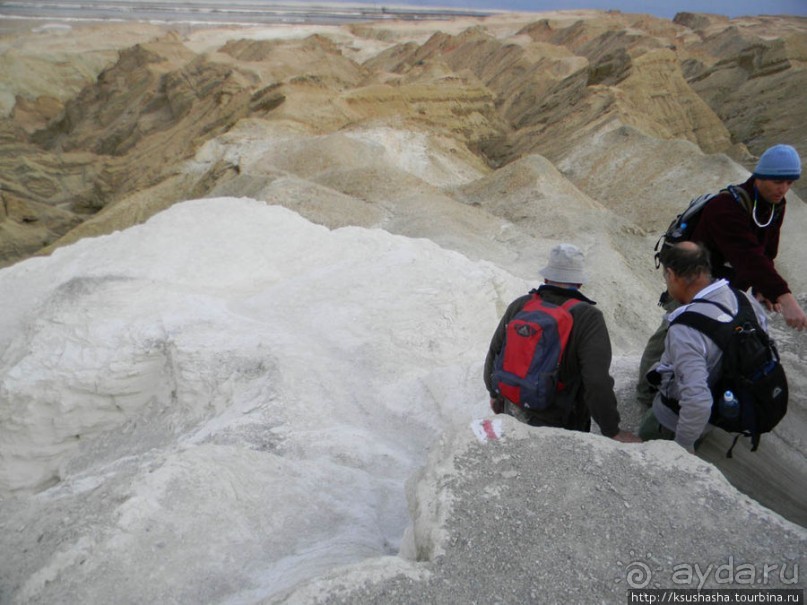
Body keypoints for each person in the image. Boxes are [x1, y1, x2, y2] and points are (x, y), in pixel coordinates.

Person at [636, 143, 806, 407]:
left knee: (716, 334)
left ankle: (696, 386)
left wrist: (763, 289)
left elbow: (766, 250)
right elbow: (747, 255)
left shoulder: (774, 205)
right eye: (777, 181)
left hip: (723, 281)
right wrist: (785, 297)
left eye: (789, 182)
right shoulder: (725, 208)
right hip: (688, 277)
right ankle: (646, 392)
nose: (783, 189)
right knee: (675, 327)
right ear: (760, 175)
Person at [484, 243, 640, 443]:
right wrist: (612, 430)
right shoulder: (588, 317)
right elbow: (596, 380)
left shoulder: (521, 305)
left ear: (547, 278)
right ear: (579, 283)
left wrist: (495, 394)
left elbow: (495, 351)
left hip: (513, 409)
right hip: (560, 421)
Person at [638, 242, 770, 453]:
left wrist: (682, 449)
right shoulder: (744, 300)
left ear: (671, 275)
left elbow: (697, 400)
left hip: (671, 423)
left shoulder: (686, 327)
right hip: (722, 410)